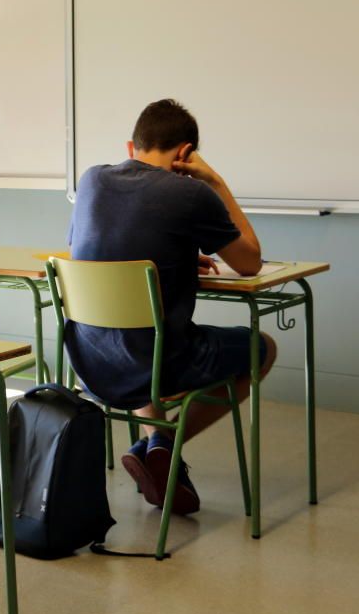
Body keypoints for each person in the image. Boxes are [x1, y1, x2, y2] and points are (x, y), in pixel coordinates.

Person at [67, 99, 278, 515]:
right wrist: (216, 181)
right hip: (154, 362)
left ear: (132, 147)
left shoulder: (91, 180)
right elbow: (250, 261)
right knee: (262, 348)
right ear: (186, 154)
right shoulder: (191, 193)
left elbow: (87, 250)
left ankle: (158, 447)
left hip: (90, 361)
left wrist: (174, 255)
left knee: (142, 333)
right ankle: (161, 442)